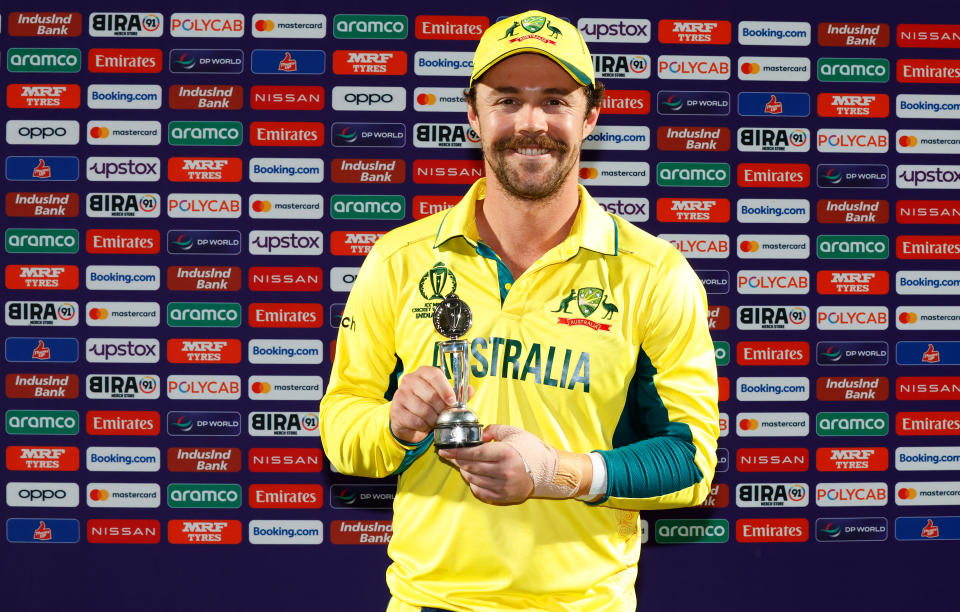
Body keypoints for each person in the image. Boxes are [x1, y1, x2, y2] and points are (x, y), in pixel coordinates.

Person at [319, 10, 720, 612]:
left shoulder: (654, 274)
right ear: (474, 115)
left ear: (591, 116)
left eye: (555, 100)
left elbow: (690, 460)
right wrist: (396, 428)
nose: (531, 123)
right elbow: (342, 427)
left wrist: (556, 472)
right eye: (507, 100)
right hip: (430, 602)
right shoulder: (398, 259)